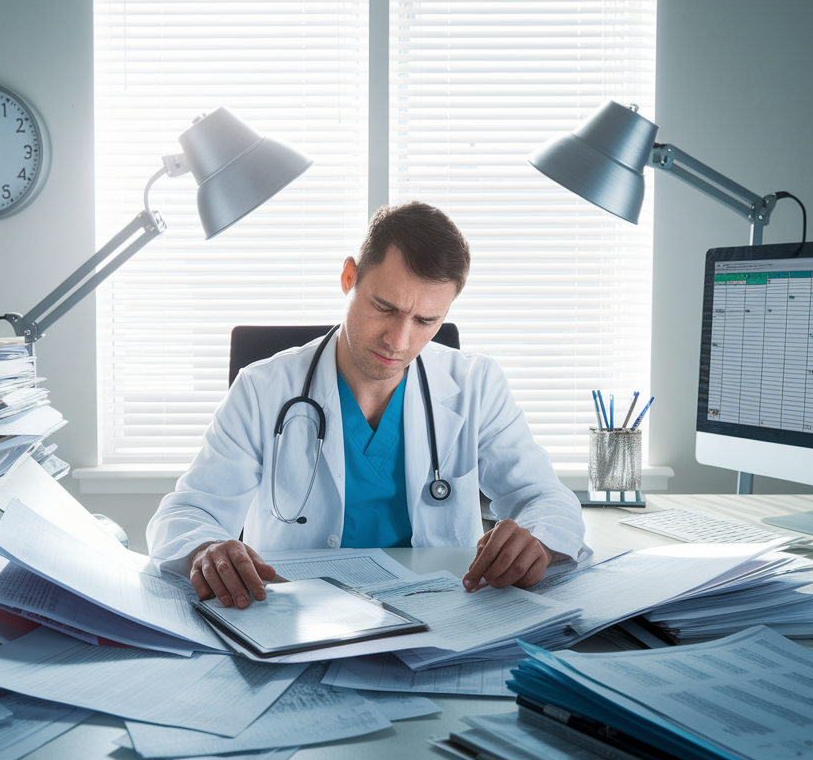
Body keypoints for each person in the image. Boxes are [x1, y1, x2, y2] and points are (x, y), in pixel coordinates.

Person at [147, 201, 589, 608]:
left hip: (443, 613)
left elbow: (544, 497)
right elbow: (187, 512)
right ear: (348, 278)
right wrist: (205, 549)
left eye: (425, 321)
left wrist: (539, 541)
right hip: (298, 616)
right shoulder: (262, 388)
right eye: (384, 307)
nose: (399, 341)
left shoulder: (476, 384)